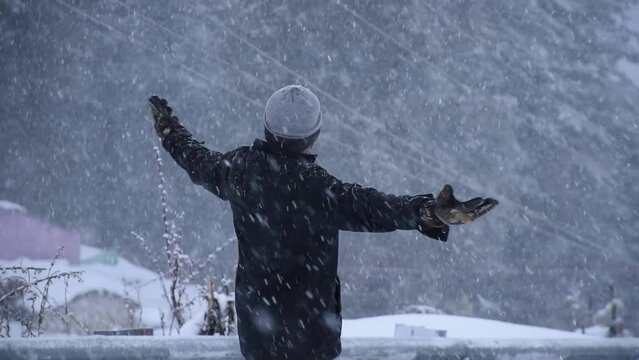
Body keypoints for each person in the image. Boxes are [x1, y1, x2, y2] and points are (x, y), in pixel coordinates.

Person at [148, 85, 497, 360]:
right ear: (313, 135)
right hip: (313, 342)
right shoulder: (320, 190)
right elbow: (376, 208)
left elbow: (198, 161)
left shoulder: (241, 171)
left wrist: (170, 133)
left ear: (268, 127)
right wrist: (429, 213)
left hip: (257, 341)